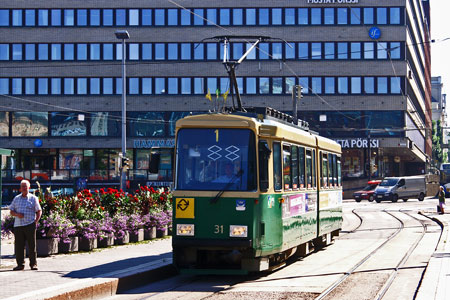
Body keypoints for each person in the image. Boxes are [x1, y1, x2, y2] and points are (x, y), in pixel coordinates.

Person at [9, 180, 42, 271]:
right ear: (20, 188)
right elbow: (11, 211)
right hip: (18, 225)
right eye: (22, 186)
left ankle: (33, 264)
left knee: (32, 246)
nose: (24, 188)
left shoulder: (33, 198)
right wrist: (16, 214)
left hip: (29, 224)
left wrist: (36, 221)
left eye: (25, 186)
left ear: (29, 188)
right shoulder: (16, 198)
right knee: (19, 246)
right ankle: (20, 265)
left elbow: (39, 211)